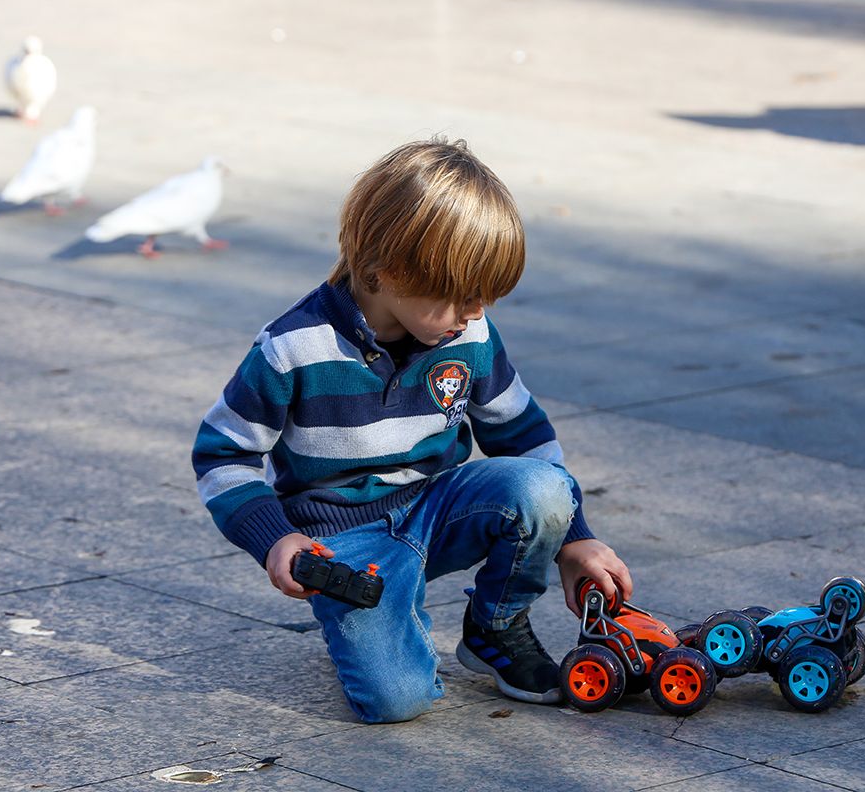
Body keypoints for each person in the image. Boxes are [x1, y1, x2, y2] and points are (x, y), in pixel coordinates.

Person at [191, 138, 632, 723]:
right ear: (385, 271)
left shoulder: (467, 337)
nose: (476, 313)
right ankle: (371, 624)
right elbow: (223, 455)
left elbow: (523, 435)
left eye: (486, 298)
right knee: (398, 699)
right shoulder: (293, 348)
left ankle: (495, 627)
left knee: (544, 488)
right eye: (462, 297)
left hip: (439, 507)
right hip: (345, 542)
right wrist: (275, 539)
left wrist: (575, 537)